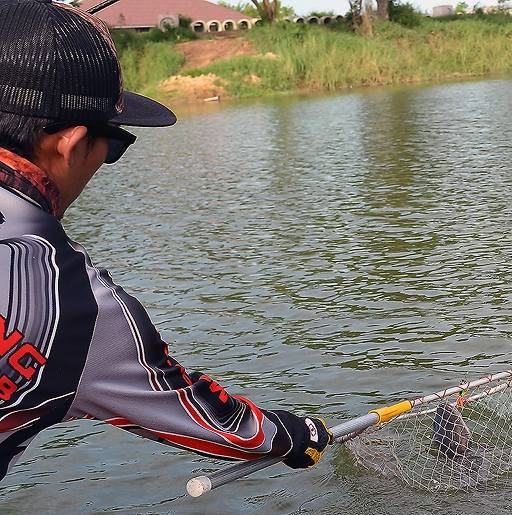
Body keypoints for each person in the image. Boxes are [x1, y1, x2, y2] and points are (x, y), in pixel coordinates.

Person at [0, 0, 330, 481]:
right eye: (114, 144)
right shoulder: (71, 303)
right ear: (68, 144)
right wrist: (295, 434)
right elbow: (220, 426)